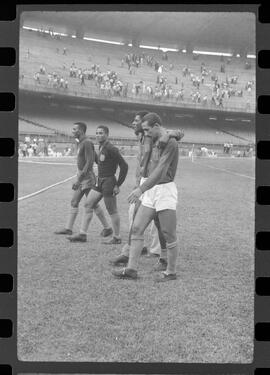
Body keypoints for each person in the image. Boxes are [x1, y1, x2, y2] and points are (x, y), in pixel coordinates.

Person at [112, 112, 180, 282]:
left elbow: (161, 169)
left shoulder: (170, 143)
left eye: (148, 129)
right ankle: (131, 269)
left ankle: (170, 272)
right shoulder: (151, 138)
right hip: (150, 190)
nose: (146, 133)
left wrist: (141, 189)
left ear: (157, 126)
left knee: (168, 232)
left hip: (164, 190)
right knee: (137, 228)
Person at [67, 125, 128, 244]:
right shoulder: (100, 146)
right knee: (88, 204)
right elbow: (98, 161)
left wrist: (118, 185)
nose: (99, 135)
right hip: (100, 181)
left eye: (101, 133)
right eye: (97, 133)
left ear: (107, 134)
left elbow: (124, 166)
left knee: (112, 210)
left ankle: (117, 237)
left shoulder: (111, 148)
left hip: (109, 182)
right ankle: (82, 234)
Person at [55, 122, 113, 238]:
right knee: (74, 202)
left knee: (92, 204)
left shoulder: (86, 142)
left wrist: (79, 179)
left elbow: (90, 162)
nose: (72, 131)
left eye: (74, 129)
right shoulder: (81, 142)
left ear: (81, 130)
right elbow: (96, 158)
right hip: (82, 177)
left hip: (87, 178)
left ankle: (107, 228)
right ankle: (68, 229)